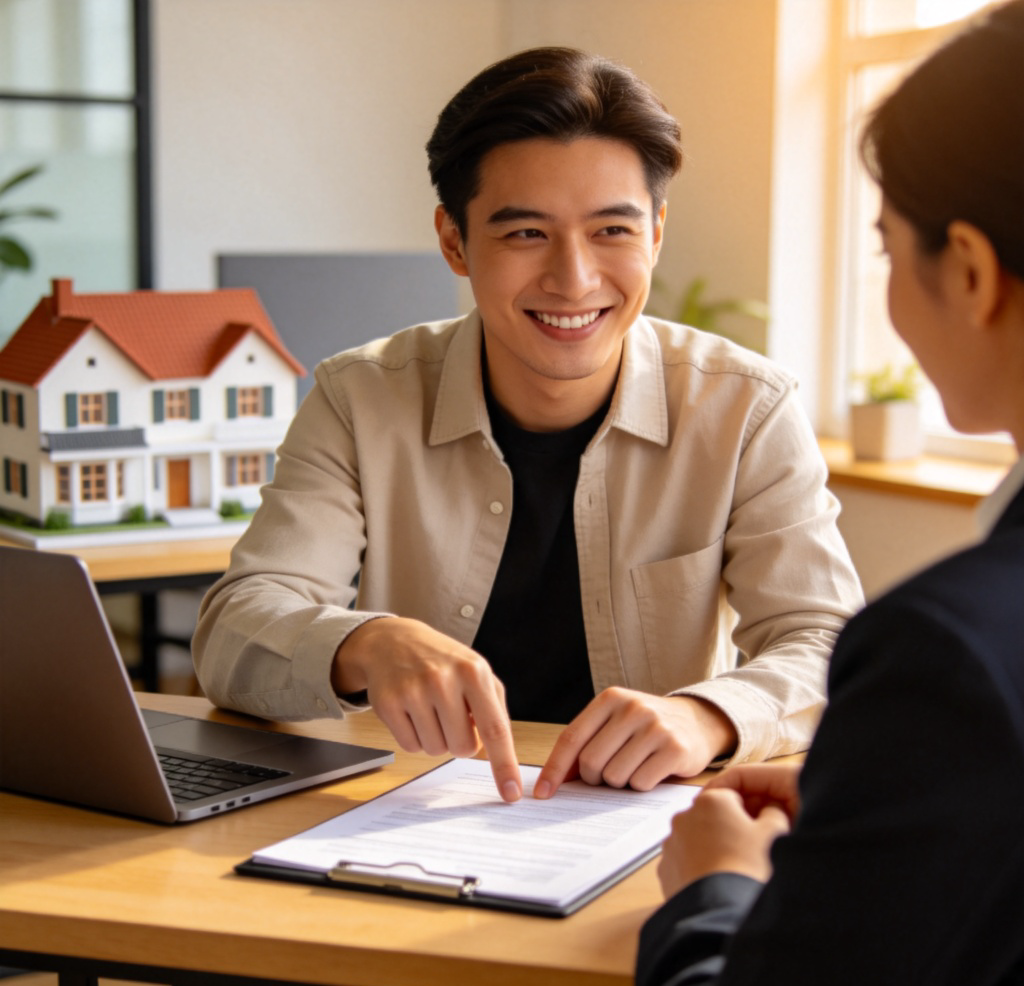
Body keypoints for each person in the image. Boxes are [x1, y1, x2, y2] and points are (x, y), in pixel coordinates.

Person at [193, 46, 861, 806]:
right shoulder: (360, 398)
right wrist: (363, 644)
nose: (574, 280)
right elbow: (231, 634)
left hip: (648, 828)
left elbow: (830, 643)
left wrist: (707, 714)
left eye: (613, 230)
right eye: (525, 234)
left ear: (657, 232)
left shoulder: (745, 408)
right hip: (410, 817)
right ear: (454, 242)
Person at [634, 3, 1024, 986]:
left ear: (973, 273)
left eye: (887, 248)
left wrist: (718, 887)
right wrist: (887, 802)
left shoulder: (953, 653)